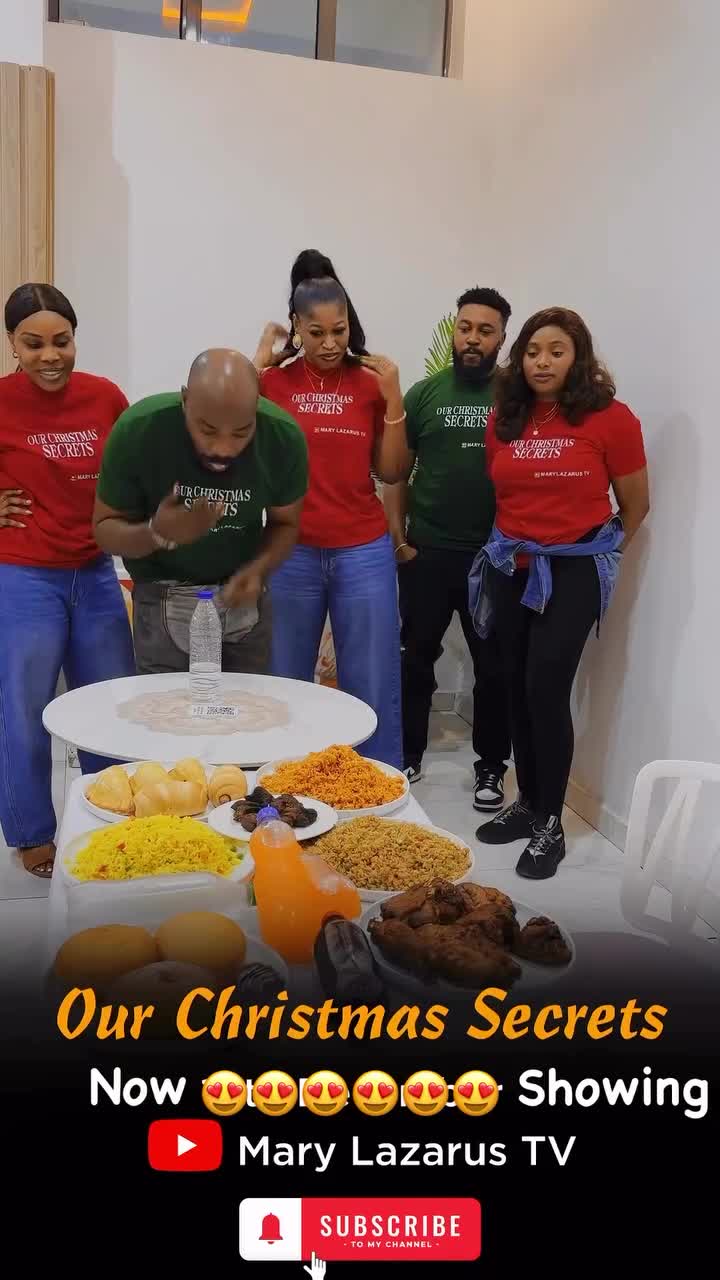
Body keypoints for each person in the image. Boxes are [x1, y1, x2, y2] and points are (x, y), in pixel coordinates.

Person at [469, 307, 649, 880]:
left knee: (545, 689)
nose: (542, 362)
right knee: (514, 686)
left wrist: (597, 555)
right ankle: (526, 802)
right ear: (519, 359)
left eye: (556, 351)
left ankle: (551, 821)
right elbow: (503, 493)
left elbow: (636, 505)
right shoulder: (505, 418)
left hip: (571, 572)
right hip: (510, 565)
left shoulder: (611, 419)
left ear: (578, 358)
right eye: (532, 352)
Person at [253, 250, 411, 769]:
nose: (329, 343)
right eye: (316, 332)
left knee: (372, 679)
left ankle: (376, 785)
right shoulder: (274, 385)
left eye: (339, 331)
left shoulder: (369, 382)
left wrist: (393, 400)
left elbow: (392, 472)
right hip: (292, 551)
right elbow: (229, 437)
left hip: (362, 551)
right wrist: (259, 362)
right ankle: (284, 781)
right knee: (284, 681)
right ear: (297, 326)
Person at [0, 283, 135, 878]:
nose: (50, 355)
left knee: (110, 703)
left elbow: (137, 467)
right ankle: (31, 831)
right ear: (13, 343)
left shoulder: (104, 397)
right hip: (24, 574)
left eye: (62, 340)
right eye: (34, 344)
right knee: (24, 705)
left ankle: (109, 818)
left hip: (96, 572)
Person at [93, 350, 308, 675]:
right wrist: (157, 534)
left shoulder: (282, 437)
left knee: (248, 705)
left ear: (256, 409)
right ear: (185, 401)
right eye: (207, 430)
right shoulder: (140, 430)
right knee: (165, 706)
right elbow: (104, 530)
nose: (223, 448)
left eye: (241, 432)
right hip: (163, 594)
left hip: (242, 598)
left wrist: (258, 571)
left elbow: (285, 524)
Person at [384, 287, 513, 810]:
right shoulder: (424, 394)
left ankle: (491, 768)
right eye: (465, 328)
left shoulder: (516, 398)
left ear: (501, 338)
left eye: (485, 330)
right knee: (415, 660)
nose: (472, 338)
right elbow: (397, 473)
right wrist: (399, 540)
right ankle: (406, 755)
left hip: (492, 558)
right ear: (455, 331)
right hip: (428, 553)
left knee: (494, 668)